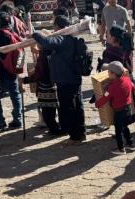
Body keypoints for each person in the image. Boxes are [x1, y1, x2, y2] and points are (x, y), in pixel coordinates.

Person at [33, 15, 87, 144]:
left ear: (57, 26)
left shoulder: (62, 38)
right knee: (77, 107)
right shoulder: (71, 38)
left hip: (66, 81)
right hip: (74, 78)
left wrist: (34, 34)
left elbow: (47, 42)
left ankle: (75, 137)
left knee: (69, 109)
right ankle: (81, 133)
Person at [96, 61, 135, 154]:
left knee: (118, 130)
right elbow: (133, 88)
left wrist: (97, 104)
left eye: (108, 72)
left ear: (113, 74)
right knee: (125, 127)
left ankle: (121, 149)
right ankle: (131, 144)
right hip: (128, 109)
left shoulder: (112, 87)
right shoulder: (127, 79)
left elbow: (105, 98)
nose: (107, 73)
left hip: (119, 112)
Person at [23, 45, 61, 136]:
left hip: (46, 87)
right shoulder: (53, 51)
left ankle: (54, 130)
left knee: (47, 112)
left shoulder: (43, 56)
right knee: (51, 110)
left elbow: (39, 74)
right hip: (54, 84)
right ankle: (55, 128)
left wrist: (25, 80)